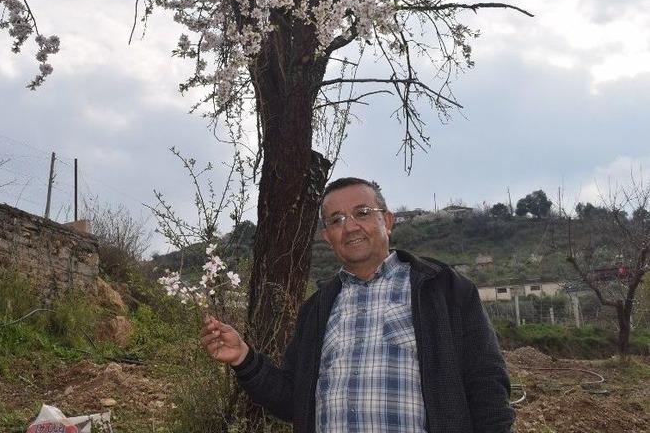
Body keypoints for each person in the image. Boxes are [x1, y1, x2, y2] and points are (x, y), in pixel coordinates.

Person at [200, 177, 514, 432]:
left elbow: (487, 386)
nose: (350, 227)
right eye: (336, 220)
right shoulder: (317, 310)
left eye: (362, 213)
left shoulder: (443, 289)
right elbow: (293, 401)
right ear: (328, 237)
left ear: (387, 221)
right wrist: (243, 358)